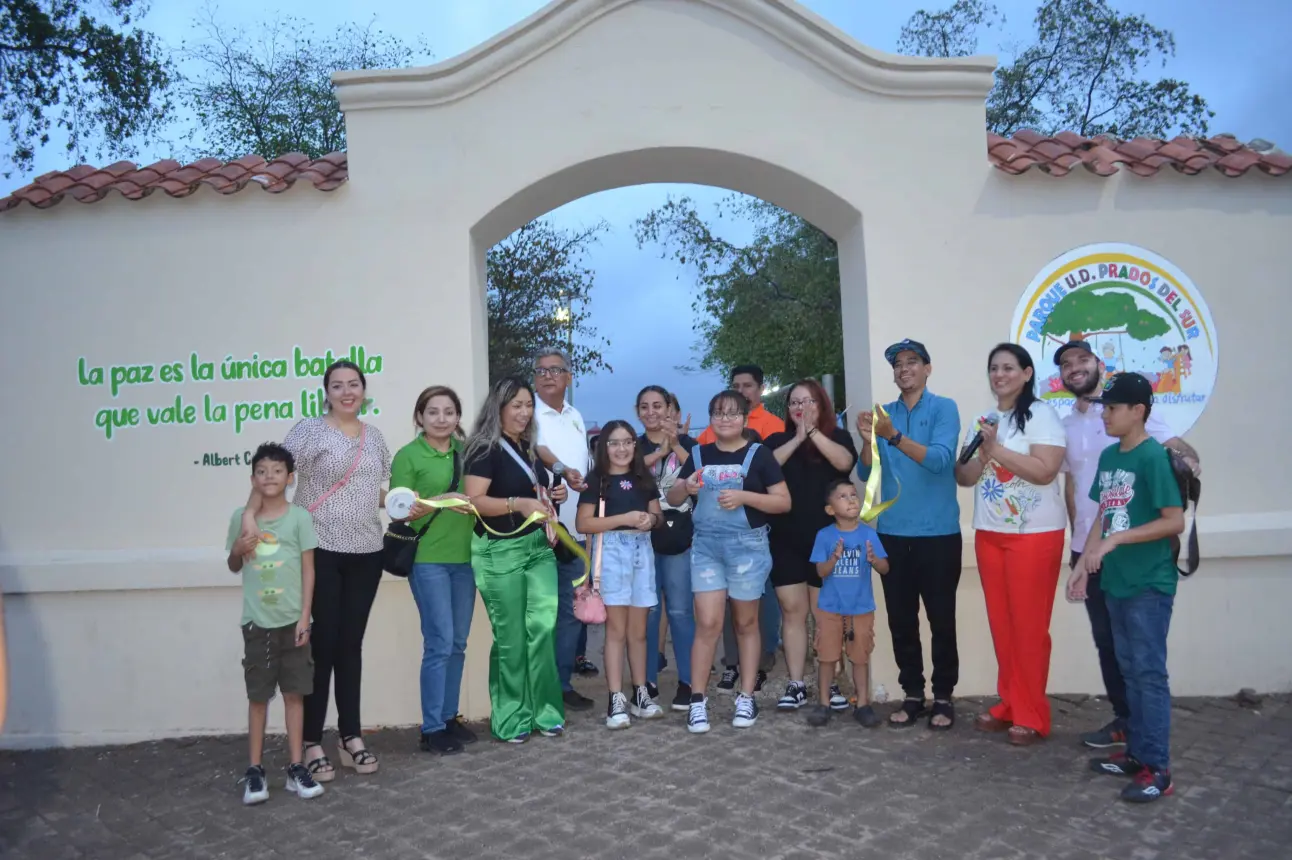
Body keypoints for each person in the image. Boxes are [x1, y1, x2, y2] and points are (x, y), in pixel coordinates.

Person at [243, 359, 391, 780]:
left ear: (364, 390)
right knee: (321, 646)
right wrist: (249, 516)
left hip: (367, 552)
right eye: (338, 385)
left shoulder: (374, 437)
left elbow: (372, 490)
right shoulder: (309, 431)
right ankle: (310, 742)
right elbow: (273, 475)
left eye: (354, 384)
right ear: (325, 392)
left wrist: (399, 504)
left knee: (351, 645)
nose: (347, 392)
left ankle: (350, 736)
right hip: (319, 550)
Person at [1054, 339, 1199, 749]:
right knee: (1116, 653)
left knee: (1144, 665)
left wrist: (1189, 464)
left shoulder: (1144, 437)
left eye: (1083, 359)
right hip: (1100, 559)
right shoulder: (1089, 439)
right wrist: (1080, 555)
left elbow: (1174, 505)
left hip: (1141, 566)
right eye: (1066, 363)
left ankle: (1152, 755)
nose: (1075, 368)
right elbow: (1089, 501)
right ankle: (1131, 735)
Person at [1067, 372, 1184, 803]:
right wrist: (1083, 563)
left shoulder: (1153, 457)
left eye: (1113, 408)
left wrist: (1116, 540)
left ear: (1139, 411)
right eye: (1104, 408)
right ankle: (1136, 755)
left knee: (1149, 675)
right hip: (1114, 582)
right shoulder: (1112, 457)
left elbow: (1174, 520)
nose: (1106, 416)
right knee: (1129, 672)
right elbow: (1103, 513)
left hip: (1148, 584)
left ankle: (1159, 768)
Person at [955, 343, 1067, 747]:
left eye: (1008, 368)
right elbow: (964, 477)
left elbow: (1045, 470)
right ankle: (1011, 702)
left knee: (1029, 628)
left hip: (1034, 536)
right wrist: (981, 457)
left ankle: (1033, 713)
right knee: (1003, 627)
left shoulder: (1042, 415)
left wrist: (996, 449)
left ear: (1026, 373)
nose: (999, 375)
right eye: (993, 368)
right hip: (990, 533)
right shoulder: (984, 419)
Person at [668, 390, 790, 733]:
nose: (725, 419)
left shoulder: (760, 455)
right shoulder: (697, 453)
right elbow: (673, 495)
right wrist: (686, 488)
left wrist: (744, 497)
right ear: (711, 417)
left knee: (746, 624)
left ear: (745, 418)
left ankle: (746, 697)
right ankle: (697, 701)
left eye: (733, 413)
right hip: (706, 546)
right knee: (707, 623)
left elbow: (782, 502)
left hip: (747, 548)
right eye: (718, 413)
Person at [856, 339, 962, 730]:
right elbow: (867, 474)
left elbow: (939, 461)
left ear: (927, 369)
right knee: (902, 621)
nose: (904, 369)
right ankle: (913, 694)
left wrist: (893, 435)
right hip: (893, 534)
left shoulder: (944, 408)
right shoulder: (885, 413)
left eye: (912, 362)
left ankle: (945, 697)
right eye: (898, 364)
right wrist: (868, 437)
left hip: (938, 534)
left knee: (941, 620)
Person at [464, 376, 569, 743]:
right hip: (498, 551)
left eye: (528, 405)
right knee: (511, 638)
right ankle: (511, 718)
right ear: (499, 408)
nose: (524, 412)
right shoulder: (483, 448)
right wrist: (518, 504)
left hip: (538, 548)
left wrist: (552, 495)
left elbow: (534, 492)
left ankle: (546, 711)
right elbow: (473, 501)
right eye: (516, 405)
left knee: (542, 630)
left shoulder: (528, 447)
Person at [226, 443, 324, 804]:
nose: (270, 477)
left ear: (290, 477)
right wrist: (238, 548)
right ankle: (255, 770)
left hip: (293, 623)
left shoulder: (300, 518)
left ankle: (296, 767)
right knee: (257, 698)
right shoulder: (242, 517)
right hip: (257, 624)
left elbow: (309, 570)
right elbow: (234, 565)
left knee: (294, 695)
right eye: (262, 471)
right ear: (253, 479)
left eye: (277, 471)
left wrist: (305, 618)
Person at [389, 385, 478, 755]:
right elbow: (398, 508)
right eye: (433, 412)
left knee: (458, 643)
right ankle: (432, 728)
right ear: (420, 417)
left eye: (449, 412)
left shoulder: (467, 452)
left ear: (458, 417)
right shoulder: (408, 455)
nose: (441, 419)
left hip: (466, 560)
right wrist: (439, 501)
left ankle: (448, 715)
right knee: (439, 642)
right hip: (427, 561)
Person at [764, 379, 857, 711]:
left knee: (824, 615)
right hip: (785, 540)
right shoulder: (777, 439)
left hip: (827, 542)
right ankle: (796, 683)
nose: (800, 409)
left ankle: (828, 683)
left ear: (822, 404)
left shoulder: (838, 437)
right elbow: (766, 466)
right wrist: (798, 437)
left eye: (808, 402)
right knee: (793, 612)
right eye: (794, 403)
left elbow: (845, 463)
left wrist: (814, 434)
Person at [698, 365, 785, 693]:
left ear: (760, 390)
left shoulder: (774, 425)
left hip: (758, 528)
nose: (743, 390)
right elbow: (697, 473)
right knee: (723, 606)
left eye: (748, 386)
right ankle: (731, 663)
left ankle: (762, 660)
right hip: (715, 532)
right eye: (736, 385)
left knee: (758, 601)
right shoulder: (711, 434)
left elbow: (775, 477)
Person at [577, 420, 666, 728]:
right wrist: (623, 519)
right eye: (614, 443)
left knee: (639, 631)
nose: (621, 448)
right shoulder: (596, 480)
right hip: (611, 554)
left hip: (642, 552)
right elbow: (584, 524)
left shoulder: (643, 477)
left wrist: (648, 521)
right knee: (616, 630)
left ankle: (641, 693)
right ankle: (616, 698)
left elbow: (659, 516)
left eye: (627, 441)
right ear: (604, 447)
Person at [531, 348, 597, 710]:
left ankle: (561, 683)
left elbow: (585, 465)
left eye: (556, 370)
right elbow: (537, 448)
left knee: (571, 613)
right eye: (540, 370)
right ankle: (540, 686)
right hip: (541, 530)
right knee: (545, 612)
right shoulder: (529, 413)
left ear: (569, 377)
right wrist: (561, 470)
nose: (547, 376)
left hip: (575, 530)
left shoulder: (575, 415)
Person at [806, 479, 889, 728]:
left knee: (860, 657)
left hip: (861, 608)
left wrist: (875, 560)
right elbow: (820, 572)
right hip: (830, 608)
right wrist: (834, 558)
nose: (851, 499)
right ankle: (823, 704)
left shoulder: (869, 534)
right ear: (830, 509)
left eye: (853, 494)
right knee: (827, 657)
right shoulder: (824, 536)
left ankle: (862, 704)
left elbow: (885, 568)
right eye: (842, 496)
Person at [638, 385, 698, 710]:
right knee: (649, 613)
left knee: (680, 612)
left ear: (670, 410)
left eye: (658, 406)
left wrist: (675, 445)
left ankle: (689, 681)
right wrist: (660, 451)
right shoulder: (631, 447)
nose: (652, 412)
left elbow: (703, 482)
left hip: (680, 541)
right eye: (645, 407)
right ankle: (647, 681)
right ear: (638, 412)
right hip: (642, 544)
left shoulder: (689, 446)